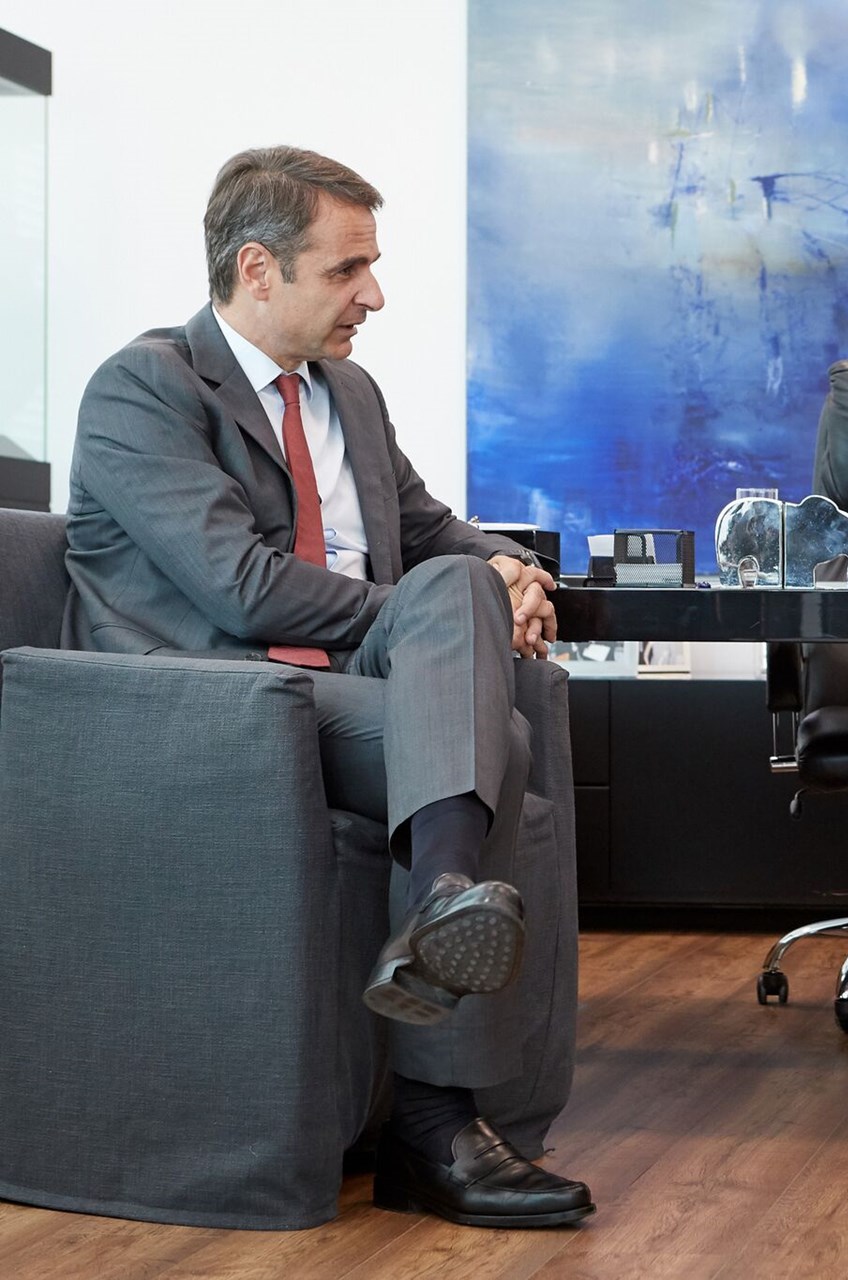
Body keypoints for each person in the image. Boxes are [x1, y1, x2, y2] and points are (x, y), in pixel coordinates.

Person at [63, 146, 594, 1228]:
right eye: (349, 269)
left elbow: (433, 528)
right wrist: (443, 608)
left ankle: (443, 914)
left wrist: (515, 570)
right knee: (486, 720)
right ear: (257, 269)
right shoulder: (144, 388)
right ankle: (436, 1124)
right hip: (210, 705)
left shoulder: (349, 393)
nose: (375, 295)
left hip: (355, 698)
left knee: (477, 675)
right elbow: (240, 585)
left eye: (373, 266)